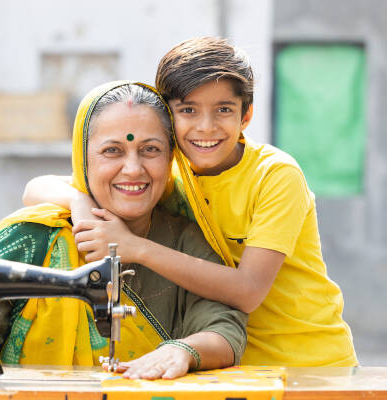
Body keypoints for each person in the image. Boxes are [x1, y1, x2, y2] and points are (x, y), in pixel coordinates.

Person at [21, 37, 358, 367]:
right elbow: (36, 187)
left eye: (223, 110)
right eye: (188, 110)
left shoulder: (276, 176)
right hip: (238, 364)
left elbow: (248, 291)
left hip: (314, 362)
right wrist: (81, 205)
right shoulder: (171, 173)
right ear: (169, 118)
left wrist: (133, 247)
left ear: (246, 115)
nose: (205, 127)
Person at [0, 81, 247, 380]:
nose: (133, 169)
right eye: (112, 151)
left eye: (150, 150)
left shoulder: (185, 240)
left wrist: (183, 349)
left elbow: (227, 332)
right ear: (82, 160)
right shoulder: (32, 237)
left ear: (170, 159)